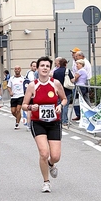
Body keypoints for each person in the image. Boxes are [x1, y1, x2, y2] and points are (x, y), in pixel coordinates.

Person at [22, 56, 67, 193]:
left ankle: (51, 164)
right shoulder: (32, 85)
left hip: (54, 122)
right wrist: (31, 108)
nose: (45, 68)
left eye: (47, 66)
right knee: (43, 152)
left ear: (50, 68)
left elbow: (64, 99)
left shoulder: (56, 84)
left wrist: (60, 106)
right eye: (42, 66)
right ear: (38, 68)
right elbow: (24, 105)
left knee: (55, 156)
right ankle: (46, 182)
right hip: (38, 122)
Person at [52, 58, 74, 127]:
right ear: (65, 64)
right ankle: (65, 121)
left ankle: (59, 119)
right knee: (65, 105)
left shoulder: (56, 71)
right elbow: (72, 80)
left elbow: (54, 81)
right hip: (66, 90)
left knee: (59, 105)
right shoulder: (67, 71)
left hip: (58, 90)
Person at [7, 65, 25, 129]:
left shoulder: (23, 78)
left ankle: (17, 123)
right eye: (16, 69)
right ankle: (18, 118)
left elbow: (26, 86)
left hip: (21, 95)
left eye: (18, 69)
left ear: (20, 70)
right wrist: (10, 92)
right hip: (14, 96)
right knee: (13, 111)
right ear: (14, 70)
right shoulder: (11, 78)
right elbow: (8, 87)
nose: (17, 70)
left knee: (18, 110)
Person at [24, 61, 37, 131]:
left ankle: (30, 124)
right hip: (32, 94)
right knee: (30, 109)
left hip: (32, 93)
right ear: (31, 66)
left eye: (36, 66)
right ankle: (29, 124)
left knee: (32, 109)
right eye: (33, 66)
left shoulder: (28, 73)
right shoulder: (31, 74)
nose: (35, 67)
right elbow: (33, 83)